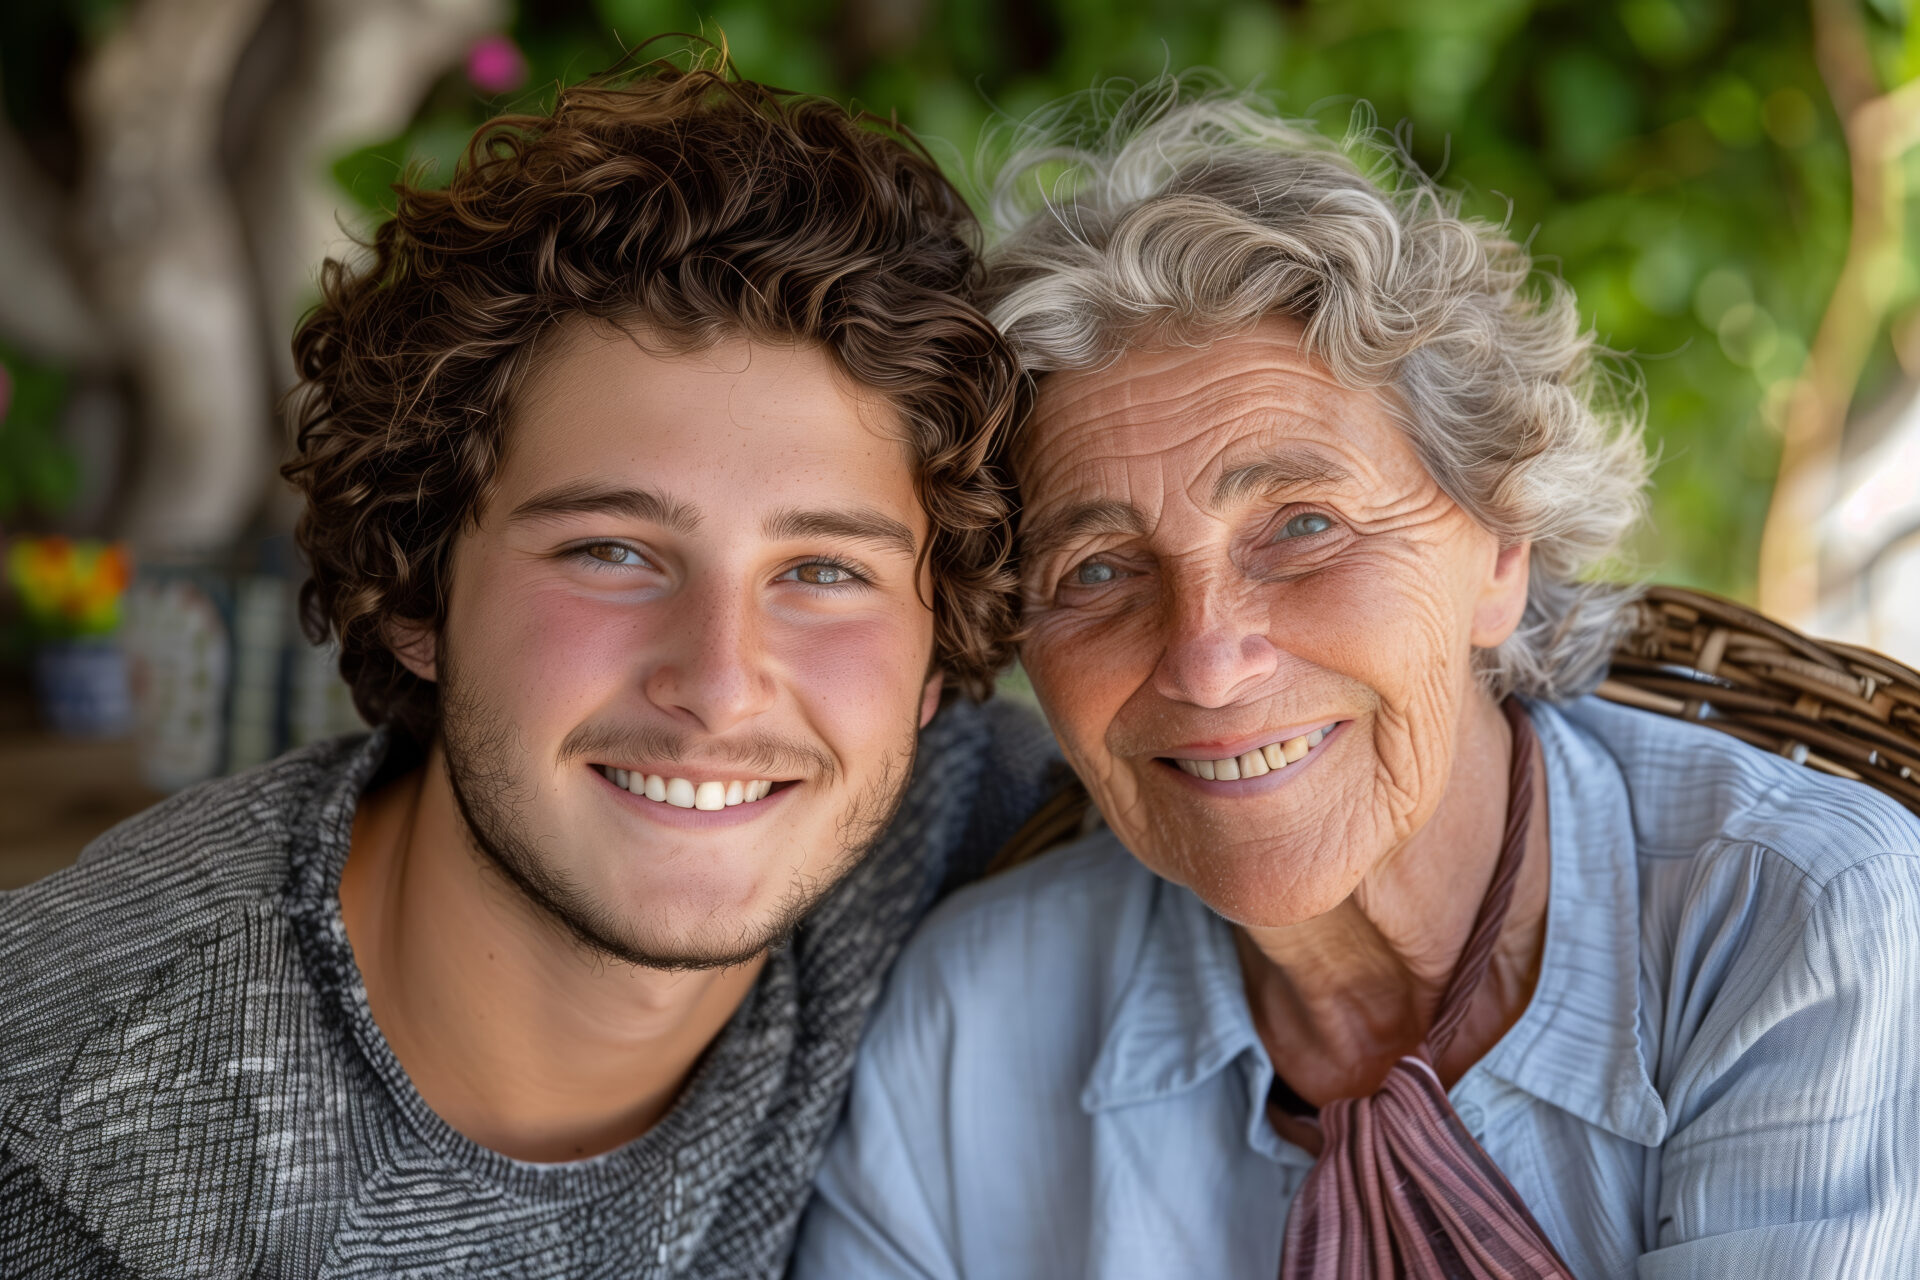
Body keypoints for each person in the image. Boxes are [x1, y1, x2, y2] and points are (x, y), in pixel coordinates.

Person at [796, 84, 1920, 1279]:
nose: (1209, 661)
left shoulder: (1791, 919)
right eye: (1100, 567)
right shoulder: (971, 1024)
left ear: (1499, 545)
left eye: (1302, 526)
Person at [0, 56, 1057, 1277]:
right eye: (611, 550)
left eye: (825, 570)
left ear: (939, 656)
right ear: (415, 594)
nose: (720, 683)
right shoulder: (72, 1152)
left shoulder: (984, 829)